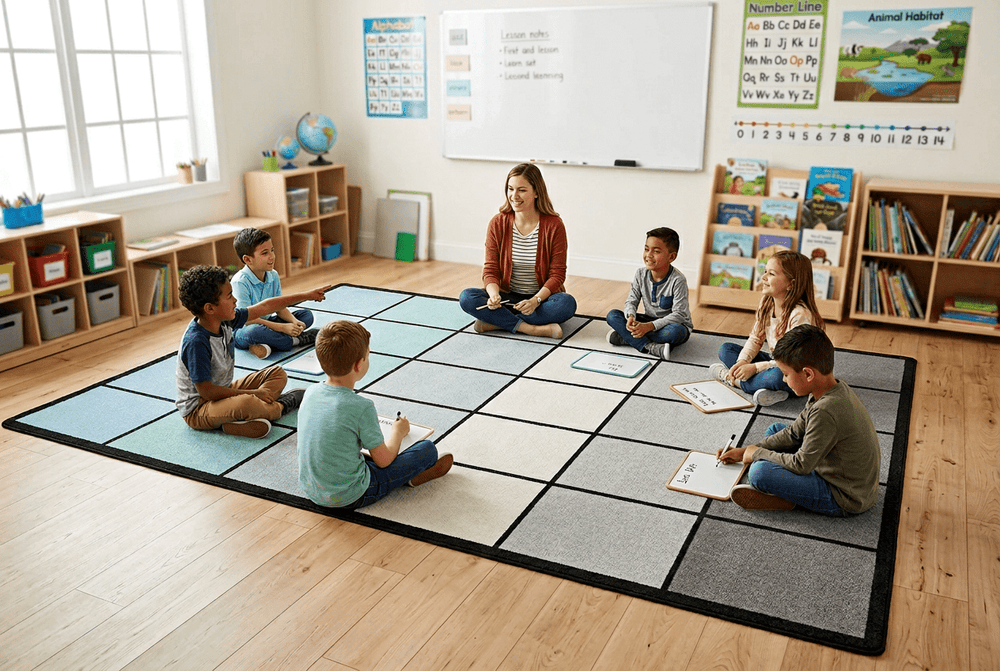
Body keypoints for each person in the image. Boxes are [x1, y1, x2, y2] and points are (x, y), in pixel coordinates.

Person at [716, 324, 880, 516]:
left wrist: (758, 453)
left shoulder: (825, 411)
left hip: (845, 496)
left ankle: (788, 499)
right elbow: (794, 433)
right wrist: (745, 451)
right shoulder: (829, 389)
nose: (784, 380)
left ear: (808, 374)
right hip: (837, 470)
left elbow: (801, 465)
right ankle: (786, 490)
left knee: (759, 472)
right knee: (776, 430)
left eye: (785, 375)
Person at [298, 320, 453, 509]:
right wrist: (398, 431)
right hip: (351, 494)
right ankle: (408, 477)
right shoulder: (361, 406)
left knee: (360, 455)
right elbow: (383, 460)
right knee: (427, 449)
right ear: (359, 365)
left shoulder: (310, 392)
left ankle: (408, 477)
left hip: (312, 490)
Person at [176, 265, 331, 439]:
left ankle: (238, 420)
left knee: (277, 372)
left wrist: (307, 295)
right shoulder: (196, 342)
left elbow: (265, 307)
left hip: (223, 392)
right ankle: (280, 407)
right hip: (199, 409)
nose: (235, 300)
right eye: (229, 296)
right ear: (210, 308)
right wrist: (252, 394)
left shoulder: (224, 320)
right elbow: (208, 392)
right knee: (247, 401)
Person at [458, 163, 577, 339]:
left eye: (522, 190)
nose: (514, 196)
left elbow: (557, 275)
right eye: (510, 189)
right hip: (506, 298)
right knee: (467, 297)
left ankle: (496, 323)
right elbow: (490, 269)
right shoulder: (498, 223)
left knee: (566, 304)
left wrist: (535, 301)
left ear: (537, 192)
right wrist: (494, 295)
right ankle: (532, 329)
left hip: (540, 299)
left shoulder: (554, 225)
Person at [709, 250, 824, 406]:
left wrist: (755, 368)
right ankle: (768, 390)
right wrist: (743, 362)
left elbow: (791, 361)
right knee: (726, 349)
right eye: (765, 272)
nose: (763, 277)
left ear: (791, 284)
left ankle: (733, 381)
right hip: (776, 361)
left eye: (771, 274)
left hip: (797, 372)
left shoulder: (800, 315)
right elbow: (756, 338)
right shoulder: (767, 302)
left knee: (776, 376)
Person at [605, 226, 693, 359]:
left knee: (675, 332)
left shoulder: (678, 280)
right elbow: (631, 300)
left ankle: (627, 338)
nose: (649, 255)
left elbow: (679, 315)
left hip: (671, 324)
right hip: (648, 320)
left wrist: (649, 327)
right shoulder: (640, 274)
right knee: (612, 315)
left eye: (656, 251)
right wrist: (630, 317)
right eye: (646, 249)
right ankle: (649, 346)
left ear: (671, 256)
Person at [231, 227, 318, 359]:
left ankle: (265, 345)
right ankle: (298, 340)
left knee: (306, 315)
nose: (272, 256)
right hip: (242, 330)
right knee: (255, 331)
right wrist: (282, 328)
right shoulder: (239, 282)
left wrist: (294, 322)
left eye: (272, 250)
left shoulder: (273, 275)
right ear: (248, 260)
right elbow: (247, 320)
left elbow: (279, 306)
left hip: (267, 323)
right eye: (265, 253)